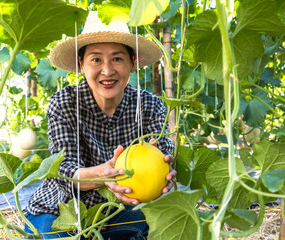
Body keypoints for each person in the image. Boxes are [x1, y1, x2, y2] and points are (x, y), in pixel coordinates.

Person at [24, 11, 176, 239]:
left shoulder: (150, 105)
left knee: (165, 225)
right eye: (96, 59)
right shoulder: (64, 102)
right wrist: (104, 175)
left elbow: (163, 151)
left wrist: (165, 171)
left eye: (117, 58)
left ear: (132, 63)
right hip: (61, 208)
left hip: (120, 210)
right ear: (81, 65)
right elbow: (62, 169)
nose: (107, 70)